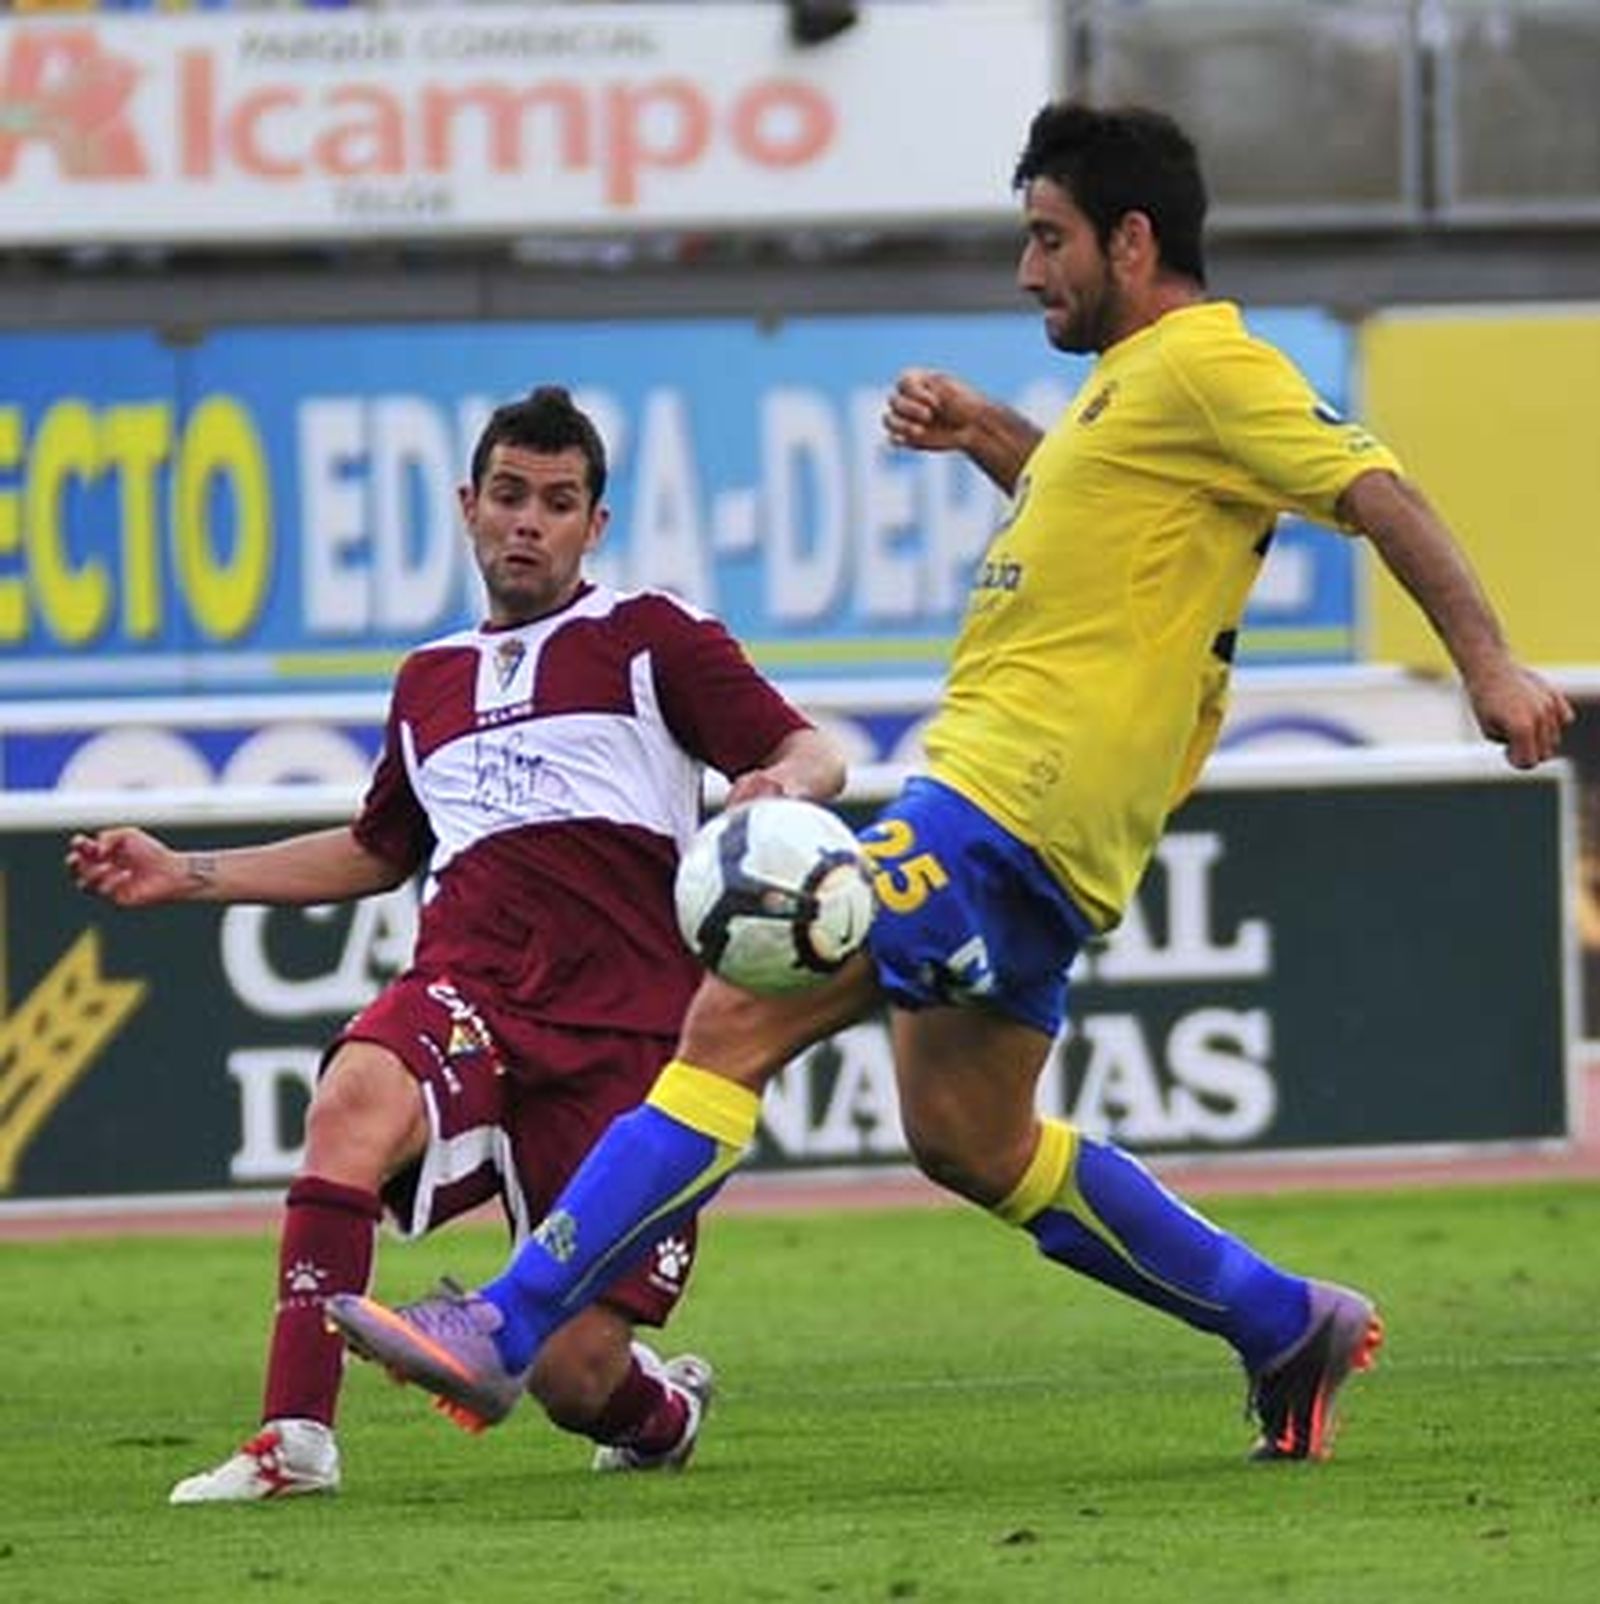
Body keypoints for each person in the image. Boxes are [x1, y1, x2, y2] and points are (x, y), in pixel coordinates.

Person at [326, 104, 1575, 1463]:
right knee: (972, 1138)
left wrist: (1490, 664)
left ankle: (501, 1327)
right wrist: (991, 435)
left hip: (1001, 807)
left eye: (1050, 240)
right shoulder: (1135, 391)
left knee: (733, 1022)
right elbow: (1107, 526)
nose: (1030, 271)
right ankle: (1284, 1322)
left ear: (1133, 239)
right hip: (1044, 836)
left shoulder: (1214, 368)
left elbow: (1377, 488)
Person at [67, 386, 845, 1502]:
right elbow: (382, 848)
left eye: (560, 502)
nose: (530, 520)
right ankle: (293, 1439)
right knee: (351, 1099)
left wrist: (779, 784)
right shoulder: (427, 679)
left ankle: (657, 1409)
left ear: (595, 525)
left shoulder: (648, 637)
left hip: (628, 1024)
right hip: (470, 985)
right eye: (512, 495)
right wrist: (189, 871)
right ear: (468, 505)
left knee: (577, 1375)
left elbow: (809, 747)